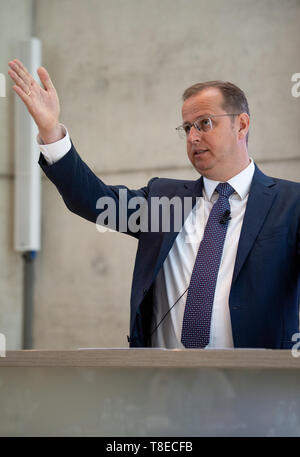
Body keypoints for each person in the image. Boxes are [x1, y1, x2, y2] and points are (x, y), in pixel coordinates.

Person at [8, 59, 300, 349]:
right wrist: (51, 133)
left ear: (242, 125)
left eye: (204, 123)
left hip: (257, 384)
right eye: (186, 128)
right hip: (163, 384)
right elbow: (94, 201)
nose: (193, 137)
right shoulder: (164, 201)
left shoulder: (291, 203)